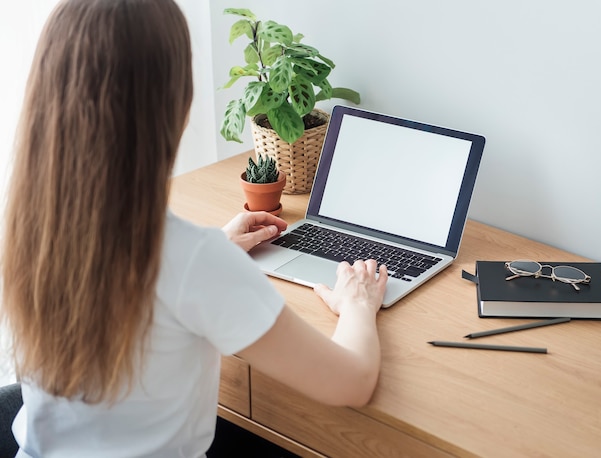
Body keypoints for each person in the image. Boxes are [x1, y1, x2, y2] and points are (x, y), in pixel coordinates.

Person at [0, 0, 388, 457]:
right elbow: (353, 382)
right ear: (177, 108)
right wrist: (358, 303)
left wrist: (211, 253)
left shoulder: (30, 227)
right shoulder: (191, 261)